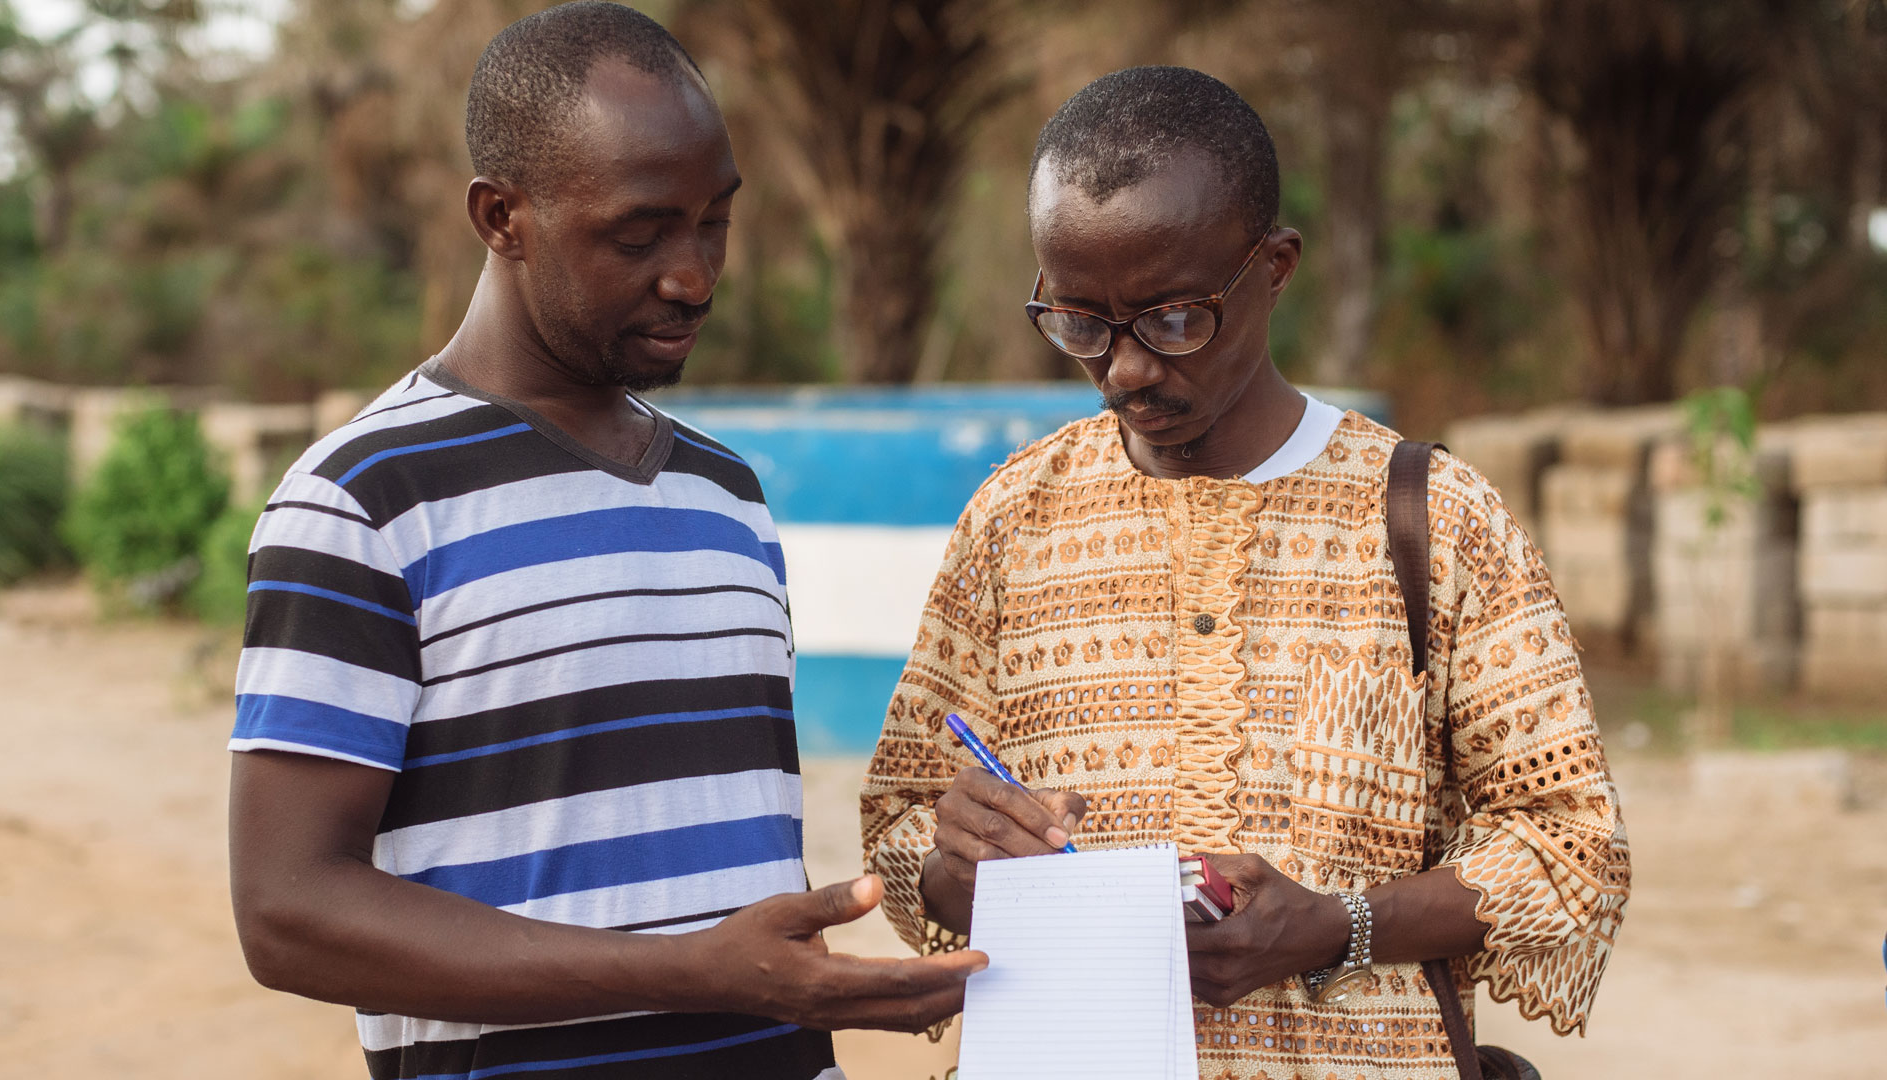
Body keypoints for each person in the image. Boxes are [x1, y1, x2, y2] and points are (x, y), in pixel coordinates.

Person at [226, 5, 984, 1079]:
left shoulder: (725, 496)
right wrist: (694, 974)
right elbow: (288, 912)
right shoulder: (362, 501)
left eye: (715, 220)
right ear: (502, 216)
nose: (695, 274)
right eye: (640, 235)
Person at [860, 66, 1630, 1079]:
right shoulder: (1012, 519)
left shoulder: (1433, 519)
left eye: (1175, 318)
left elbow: (1571, 850)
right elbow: (903, 818)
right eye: (1081, 324)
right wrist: (959, 863)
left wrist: (1337, 926)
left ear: (1273, 267)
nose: (1126, 368)